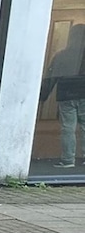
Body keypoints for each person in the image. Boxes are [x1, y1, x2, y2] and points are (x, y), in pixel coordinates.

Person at [41, 24, 85, 168]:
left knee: (68, 127)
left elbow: (51, 76)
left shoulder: (61, 55)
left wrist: (43, 96)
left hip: (66, 94)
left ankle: (68, 160)